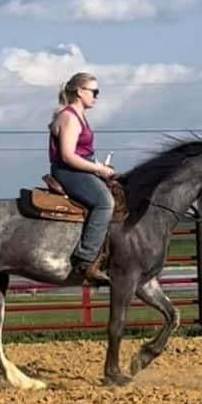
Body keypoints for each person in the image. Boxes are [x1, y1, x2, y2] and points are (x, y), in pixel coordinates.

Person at [48, 72, 116, 283]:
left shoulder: (78, 116)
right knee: (105, 203)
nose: (97, 96)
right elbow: (68, 156)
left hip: (80, 169)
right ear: (79, 92)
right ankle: (86, 260)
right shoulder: (69, 118)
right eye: (94, 91)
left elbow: (82, 152)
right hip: (69, 171)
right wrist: (99, 170)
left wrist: (98, 167)